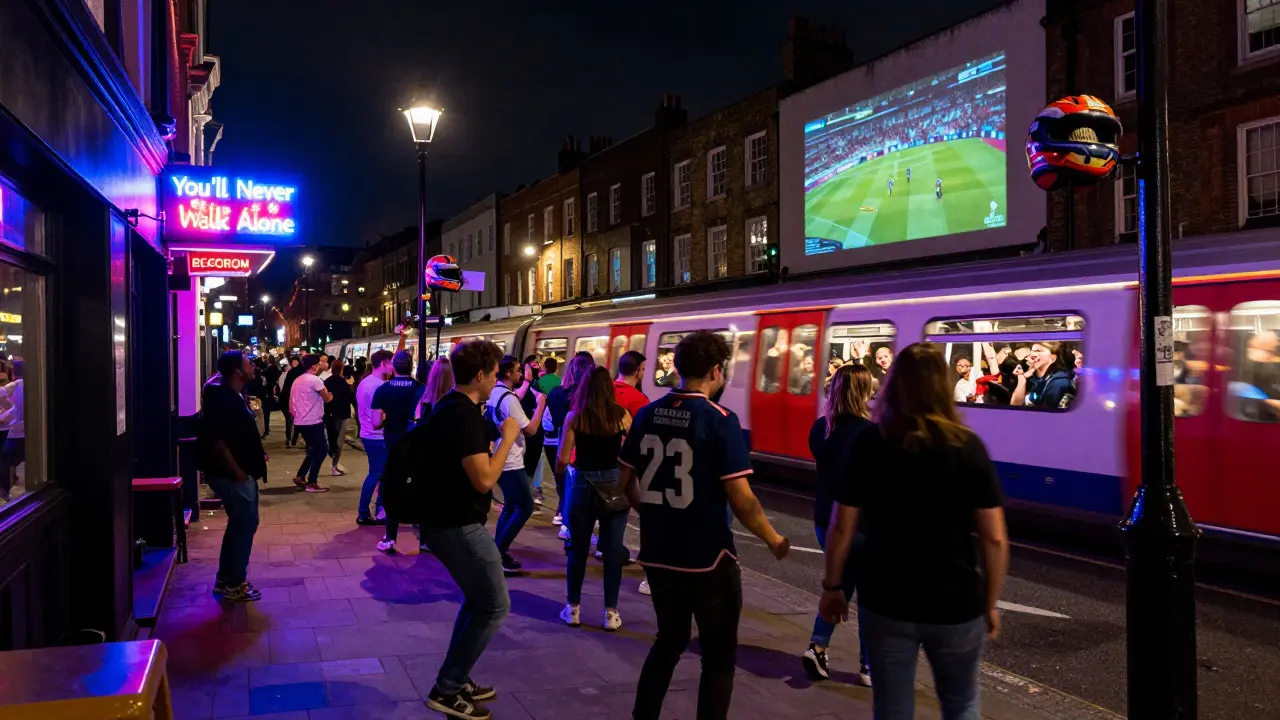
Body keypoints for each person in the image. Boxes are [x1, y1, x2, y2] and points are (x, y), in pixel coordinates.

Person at [819, 343, 1009, 720]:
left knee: (892, 708)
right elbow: (994, 538)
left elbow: (842, 523)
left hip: (887, 598)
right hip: (957, 601)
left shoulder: (871, 442)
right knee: (961, 703)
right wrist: (988, 601)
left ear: (894, 384)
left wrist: (832, 587)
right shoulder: (967, 446)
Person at [622, 330, 790, 720]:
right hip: (707, 559)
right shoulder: (719, 420)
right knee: (717, 659)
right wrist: (772, 538)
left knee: (667, 642)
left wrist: (650, 514)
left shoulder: (647, 413)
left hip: (659, 554)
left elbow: (624, 482)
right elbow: (742, 498)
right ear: (717, 370)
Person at [416, 340, 521, 720]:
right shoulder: (462, 415)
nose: (497, 380)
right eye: (495, 373)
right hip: (457, 524)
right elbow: (484, 480)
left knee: (478, 602)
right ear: (481, 374)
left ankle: (456, 678)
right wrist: (508, 437)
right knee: (495, 605)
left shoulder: (451, 407)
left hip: (447, 521)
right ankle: (446, 688)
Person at [803, 364, 875, 685]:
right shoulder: (869, 433)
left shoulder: (820, 428)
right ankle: (867, 665)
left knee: (843, 584)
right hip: (860, 525)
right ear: (864, 391)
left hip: (824, 521)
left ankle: (819, 647)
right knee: (870, 593)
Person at [558, 366, 632, 631]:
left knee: (577, 549)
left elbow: (563, 459)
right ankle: (611, 613)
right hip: (613, 485)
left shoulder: (574, 417)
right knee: (612, 551)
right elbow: (631, 455)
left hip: (583, 484)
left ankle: (573, 609)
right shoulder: (622, 416)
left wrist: (565, 475)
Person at [196, 351, 268, 602]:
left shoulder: (232, 395)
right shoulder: (225, 398)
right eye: (249, 364)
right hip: (232, 477)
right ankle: (232, 583)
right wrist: (238, 472)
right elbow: (217, 442)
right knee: (244, 525)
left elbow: (237, 434)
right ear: (238, 372)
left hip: (236, 473)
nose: (254, 368)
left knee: (241, 525)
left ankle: (228, 579)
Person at [487, 355, 546, 572]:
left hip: (502, 455)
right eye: (518, 370)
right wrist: (541, 405)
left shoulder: (496, 392)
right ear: (509, 373)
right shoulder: (509, 399)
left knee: (511, 505)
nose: (521, 374)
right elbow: (530, 429)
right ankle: (500, 552)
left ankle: (497, 550)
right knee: (525, 506)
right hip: (511, 460)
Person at [372, 350, 426, 553]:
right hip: (417, 447)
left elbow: (376, 422)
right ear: (411, 366)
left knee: (393, 490)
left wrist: (389, 419)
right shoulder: (422, 389)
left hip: (394, 447)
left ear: (394, 367)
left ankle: (390, 537)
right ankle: (425, 538)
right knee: (420, 490)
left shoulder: (383, 390)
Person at [544, 353, 595, 530]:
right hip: (582, 446)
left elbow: (552, 421)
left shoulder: (556, 393)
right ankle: (568, 522)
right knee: (578, 485)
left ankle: (561, 512)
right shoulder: (590, 395)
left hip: (556, 442)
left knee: (563, 481)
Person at [355, 349, 394, 525]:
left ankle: (379, 509)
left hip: (368, 434)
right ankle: (365, 512)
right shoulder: (378, 386)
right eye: (391, 363)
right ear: (384, 363)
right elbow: (379, 417)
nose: (393, 368)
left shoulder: (365, 382)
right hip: (377, 436)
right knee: (377, 474)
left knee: (380, 474)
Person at [289, 354, 332, 492]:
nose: (322, 365)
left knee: (313, 450)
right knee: (322, 450)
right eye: (319, 363)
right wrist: (331, 394)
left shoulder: (297, 380)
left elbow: (291, 404)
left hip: (300, 421)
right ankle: (312, 482)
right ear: (314, 366)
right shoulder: (316, 380)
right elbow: (327, 399)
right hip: (313, 421)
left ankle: (300, 476)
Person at [517, 356, 546, 507]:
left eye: (538, 363)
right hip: (525, 429)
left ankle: (529, 493)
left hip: (536, 430)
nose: (537, 365)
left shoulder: (538, 384)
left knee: (534, 461)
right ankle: (524, 496)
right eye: (533, 363)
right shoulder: (521, 385)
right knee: (524, 463)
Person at [1011, 341, 1074, 409]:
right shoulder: (1033, 378)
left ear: (1052, 359)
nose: (1032, 354)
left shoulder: (1058, 383)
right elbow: (1014, 406)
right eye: (1032, 350)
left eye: (1038, 351)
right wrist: (1021, 378)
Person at [324, 357, 355, 476]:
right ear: (341, 369)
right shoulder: (344, 383)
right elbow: (351, 397)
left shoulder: (327, 381)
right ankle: (334, 466)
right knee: (339, 440)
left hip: (329, 414)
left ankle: (332, 458)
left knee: (332, 437)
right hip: (342, 414)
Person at [613, 350, 649, 418]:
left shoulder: (605, 388)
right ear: (636, 372)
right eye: (643, 369)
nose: (643, 373)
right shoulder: (639, 399)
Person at [279, 356, 303, 447]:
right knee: (289, 419)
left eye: (295, 362)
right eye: (292, 362)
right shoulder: (290, 373)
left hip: (297, 400)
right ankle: (290, 439)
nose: (294, 364)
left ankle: (293, 439)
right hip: (287, 399)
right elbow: (285, 387)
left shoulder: (300, 372)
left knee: (295, 420)